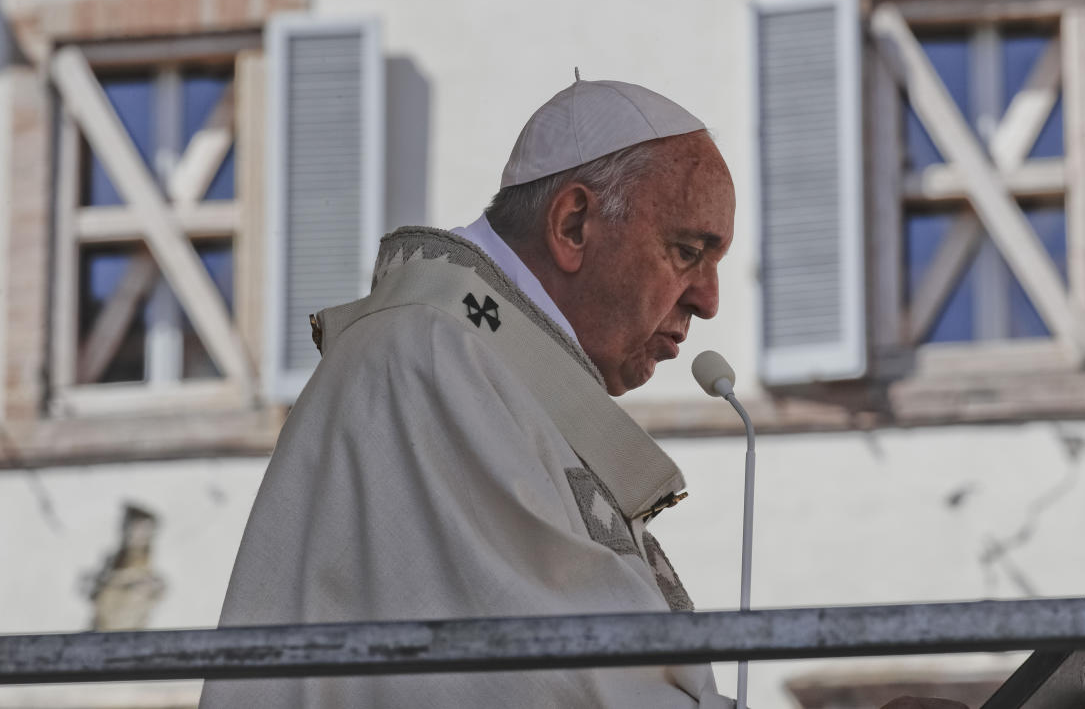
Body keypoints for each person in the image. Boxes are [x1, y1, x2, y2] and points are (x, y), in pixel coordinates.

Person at [201, 78, 736, 707]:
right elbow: (541, 678)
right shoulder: (428, 359)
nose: (709, 300)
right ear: (573, 225)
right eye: (687, 251)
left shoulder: (482, 363)